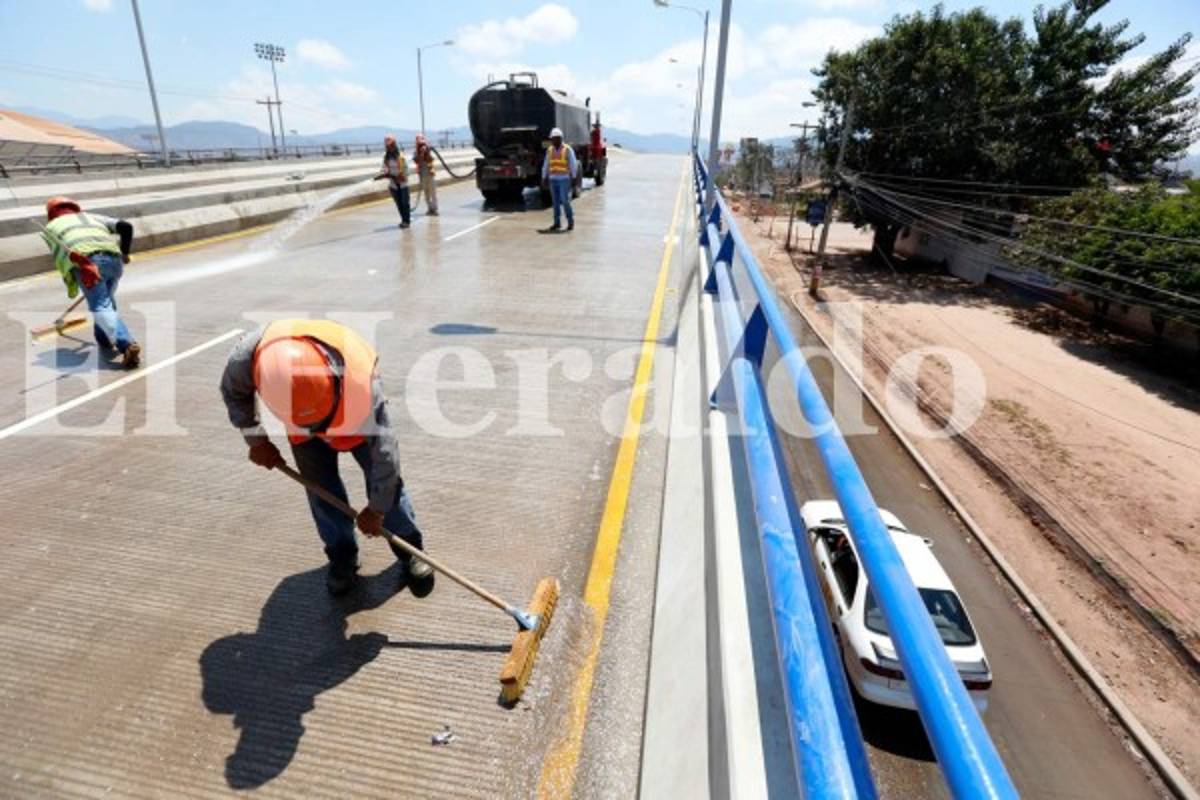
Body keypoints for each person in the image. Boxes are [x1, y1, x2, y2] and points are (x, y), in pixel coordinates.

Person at [220, 319, 434, 595]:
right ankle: (342, 555)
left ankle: (410, 548)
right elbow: (234, 394)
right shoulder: (248, 359)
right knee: (320, 490)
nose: (322, 433)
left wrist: (377, 509)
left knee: (385, 484)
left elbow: (386, 459)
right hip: (301, 427)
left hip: (353, 418)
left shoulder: (361, 384)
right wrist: (256, 438)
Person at [40, 197, 141, 368]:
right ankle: (104, 340)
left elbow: (62, 258)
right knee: (106, 301)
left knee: (100, 305)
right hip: (114, 260)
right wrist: (124, 253)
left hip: (87, 263)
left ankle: (126, 343)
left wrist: (74, 277)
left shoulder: (49, 228)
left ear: (51, 214)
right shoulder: (90, 217)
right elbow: (126, 227)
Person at [541, 127, 578, 232]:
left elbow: (573, 164)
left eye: (555, 138)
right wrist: (544, 177)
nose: (553, 140)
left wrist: (574, 177)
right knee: (555, 202)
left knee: (565, 200)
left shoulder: (567, 149)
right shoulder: (550, 150)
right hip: (553, 179)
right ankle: (557, 223)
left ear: (560, 138)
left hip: (564, 179)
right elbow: (546, 164)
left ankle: (570, 221)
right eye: (552, 139)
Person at [374, 135, 410, 228]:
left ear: (394, 145)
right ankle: (403, 220)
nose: (389, 148)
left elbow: (406, 169)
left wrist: (402, 176)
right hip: (393, 184)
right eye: (387, 146)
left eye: (390, 145)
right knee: (399, 204)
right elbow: (384, 168)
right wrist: (383, 173)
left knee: (405, 203)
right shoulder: (386, 157)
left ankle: (407, 221)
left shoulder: (401, 156)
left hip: (403, 183)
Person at [413, 135, 438, 216]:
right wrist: (421, 153)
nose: (420, 141)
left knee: (433, 192)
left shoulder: (428, 148)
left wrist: (426, 149)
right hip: (422, 176)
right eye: (418, 140)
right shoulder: (416, 152)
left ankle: (434, 209)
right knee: (426, 193)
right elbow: (416, 161)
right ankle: (430, 208)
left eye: (421, 139)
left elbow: (431, 158)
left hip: (430, 174)